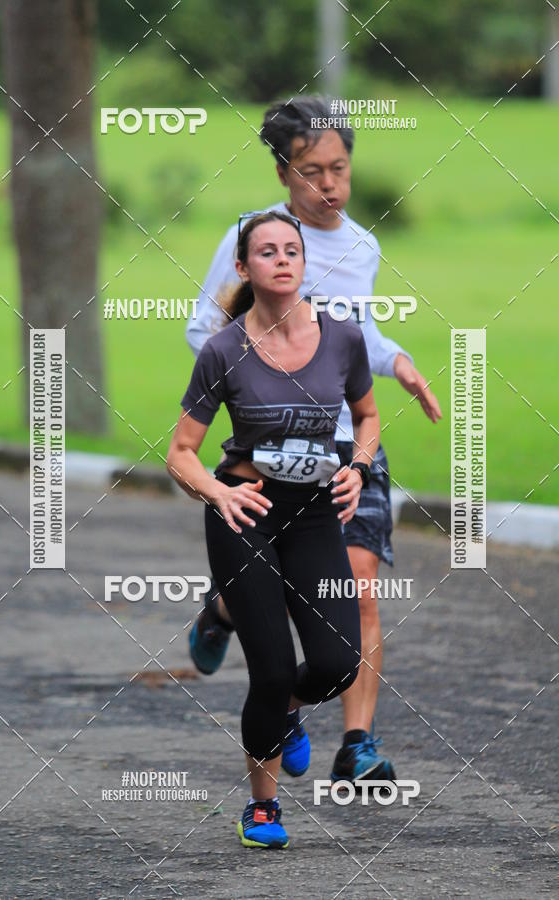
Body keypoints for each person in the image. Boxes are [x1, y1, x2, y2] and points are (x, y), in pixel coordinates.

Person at [186, 96, 442, 785]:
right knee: (269, 597)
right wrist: (268, 380)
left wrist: (401, 363)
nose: (328, 185)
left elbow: (362, 333)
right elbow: (204, 329)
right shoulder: (255, 238)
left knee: (357, 589)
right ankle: (223, 614)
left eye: (339, 169)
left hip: (348, 451)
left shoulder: (362, 246)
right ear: (281, 171)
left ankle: (351, 740)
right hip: (270, 455)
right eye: (311, 171)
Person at [167, 212, 379, 848]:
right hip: (247, 514)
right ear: (244, 268)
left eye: (293, 250)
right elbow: (180, 452)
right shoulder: (223, 350)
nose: (283, 260)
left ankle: (287, 714)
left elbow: (367, 417)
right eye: (267, 252)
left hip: (315, 514)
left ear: (305, 263)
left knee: (339, 663)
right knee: (272, 671)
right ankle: (262, 809)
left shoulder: (341, 338)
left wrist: (359, 469)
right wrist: (217, 492)